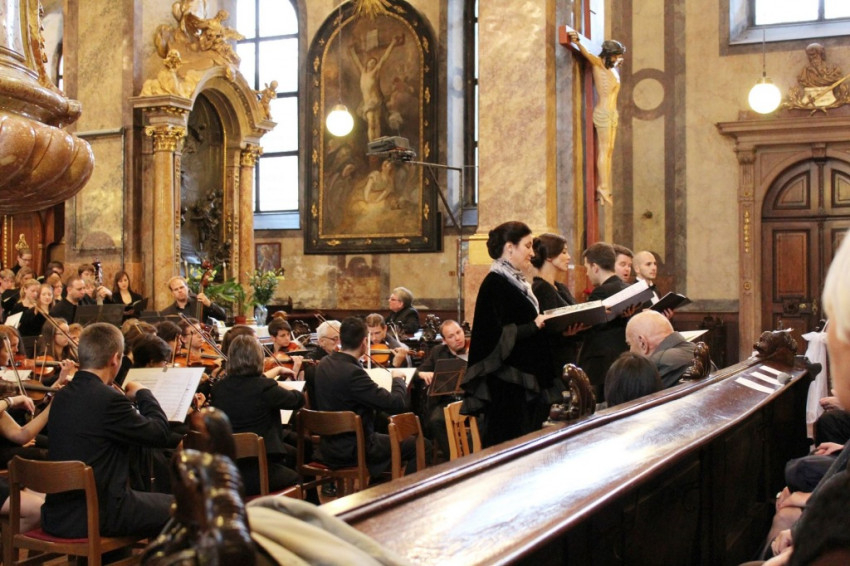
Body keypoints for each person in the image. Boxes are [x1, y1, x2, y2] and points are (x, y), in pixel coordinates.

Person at [42, 322, 173, 538]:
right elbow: (159, 433)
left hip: (58, 515)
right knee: (187, 506)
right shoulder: (109, 399)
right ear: (115, 359)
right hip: (100, 515)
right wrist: (144, 393)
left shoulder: (62, 396)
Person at [461, 221, 548, 448]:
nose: (532, 253)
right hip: (505, 387)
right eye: (527, 246)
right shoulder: (495, 284)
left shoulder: (515, 281)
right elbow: (493, 337)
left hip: (519, 382)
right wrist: (533, 326)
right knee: (509, 446)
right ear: (510, 248)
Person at [314, 317, 416, 478]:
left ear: (341, 340)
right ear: (364, 342)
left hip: (328, 447)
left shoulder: (324, 363)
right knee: (418, 444)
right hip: (355, 449)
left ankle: (377, 487)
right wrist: (397, 379)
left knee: (385, 435)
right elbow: (396, 404)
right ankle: (406, 492)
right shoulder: (353, 373)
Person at [211, 334, 304, 496]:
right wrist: (278, 382)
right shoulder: (265, 388)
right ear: (258, 359)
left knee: (292, 454)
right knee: (297, 477)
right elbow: (298, 399)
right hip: (259, 468)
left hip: (230, 469)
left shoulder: (218, 388)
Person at [568, 31, 626, 207]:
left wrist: (616, 63)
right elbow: (588, 54)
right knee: (604, 149)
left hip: (612, 114)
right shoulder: (598, 64)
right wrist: (578, 42)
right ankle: (603, 187)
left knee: (609, 150)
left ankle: (605, 186)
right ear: (609, 54)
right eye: (616, 55)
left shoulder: (611, 69)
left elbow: (612, 67)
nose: (618, 59)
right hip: (603, 113)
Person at [577, 242, 632, 402]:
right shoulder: (625, 287)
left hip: (600, 364)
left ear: (595, 267)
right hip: (621, 358)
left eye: (587, 268)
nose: (587, 273)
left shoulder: (601, 292)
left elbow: (586, 325)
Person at [530, 233, 585, 384]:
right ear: (549, 256)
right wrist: (564, 334)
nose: (569, 257)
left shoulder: (561, 287)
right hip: (553, 364)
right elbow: (545, 330)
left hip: (568, 356)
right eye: (564, 252)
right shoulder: (540, 288)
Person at [411, 319, 468, 459]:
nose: (457, 338)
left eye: (459, 332)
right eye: (451, 336)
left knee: (484, 417)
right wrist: (422, 374)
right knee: (436, 420)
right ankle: (454, 458)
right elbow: (416, 372)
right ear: (444, 341)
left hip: (470, 398)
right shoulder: (438, 352)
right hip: (446, 401)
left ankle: (475, 455)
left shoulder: (475, 348)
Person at [625, 310, 708, 388]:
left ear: (643, 343)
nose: (630, 351)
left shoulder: (658, 364)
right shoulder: (693, 348)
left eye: (630, 344)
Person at [349, 36, 399, 141]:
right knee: (371, 123)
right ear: (367, 63)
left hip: (375, 100)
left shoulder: (374, 73)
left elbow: (384, 58)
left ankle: (376, 144)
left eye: (374, 63)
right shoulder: (363, 72)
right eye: (371, 62)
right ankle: (372, 143)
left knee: (375, 122)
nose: (372, 64)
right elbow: (356, 61)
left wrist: (393, 44)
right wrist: (352, 51)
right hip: (367, 102)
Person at [161, 275, 226, 326]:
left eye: (182, 287)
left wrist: (209, 304)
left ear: (187, 288)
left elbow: (223, 317)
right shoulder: (166, 313)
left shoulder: (200, 303)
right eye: (176, 289)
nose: (180, 291)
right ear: (172, 293)